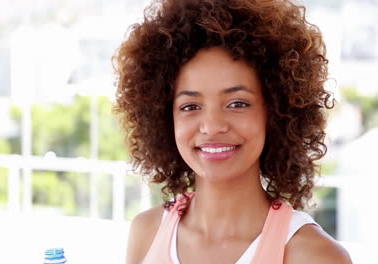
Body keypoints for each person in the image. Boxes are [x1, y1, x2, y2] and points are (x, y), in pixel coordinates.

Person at [112, 0, 352, 263]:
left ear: (275, 112)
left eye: (237, 103)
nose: (212, 126)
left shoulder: (314, 255)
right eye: (190, 106)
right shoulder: (146, 232)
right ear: (163, 118)